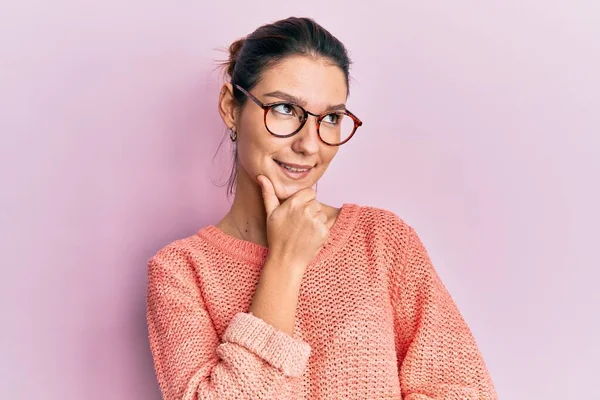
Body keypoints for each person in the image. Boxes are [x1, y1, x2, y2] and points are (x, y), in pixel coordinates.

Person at [146, 16, 497, 400]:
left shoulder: (382, 241)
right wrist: (285, 264)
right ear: (231, 107)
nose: (310, 144)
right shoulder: (181, 272)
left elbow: (462, 390)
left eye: (330, 118)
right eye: (284, 109)